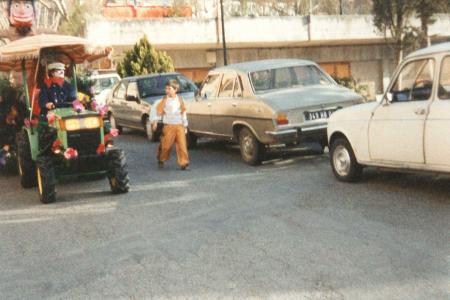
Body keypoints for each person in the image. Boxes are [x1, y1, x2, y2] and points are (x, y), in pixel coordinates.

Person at [151, 79, 189, 170]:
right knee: (166, 146)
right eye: (166, 89)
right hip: (169, 126)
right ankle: (161, 159)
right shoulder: (165, 100)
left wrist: (185, 125)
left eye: (169, 88)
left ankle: (184, 163)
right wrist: (155, 122)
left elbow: (183, 112)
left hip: (179, 125)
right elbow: (159, 111)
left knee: (182, 145)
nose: (167, 90)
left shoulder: (180, 99)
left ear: (175, 90)